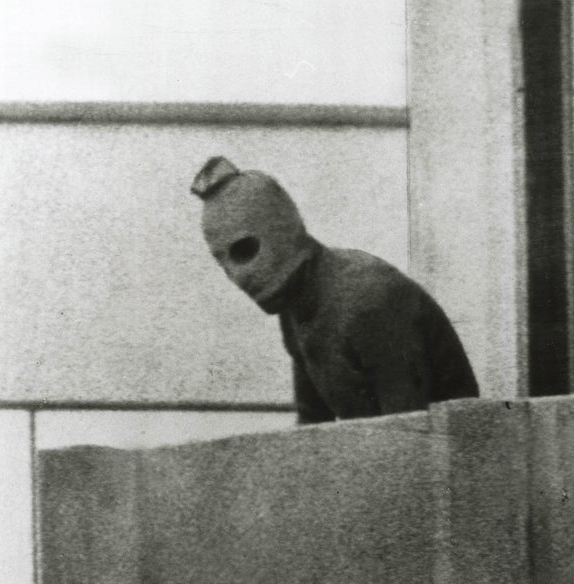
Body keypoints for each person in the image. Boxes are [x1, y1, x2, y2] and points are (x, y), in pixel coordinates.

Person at [191, 156, 479, 424]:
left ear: (280, 231)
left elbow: (406, 433)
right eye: (223, 263)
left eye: (244, 250)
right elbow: (312, 427)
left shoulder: (368, 299)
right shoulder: (296, 308)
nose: (238, 277)